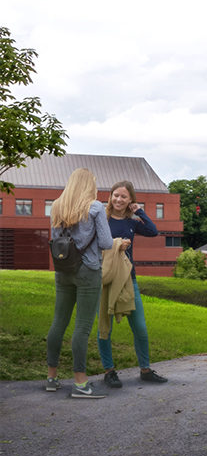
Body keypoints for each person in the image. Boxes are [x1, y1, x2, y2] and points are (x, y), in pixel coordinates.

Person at [43, 166, 121, 398]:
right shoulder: (95, 207)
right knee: (83, 327)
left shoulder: (57, 206)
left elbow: (57, 240)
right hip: (88, 270)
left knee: (58, 322)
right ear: (90, 185)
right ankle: (80, 383)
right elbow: (106, 243)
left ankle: (51, 377)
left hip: (63, 270)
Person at [97, 180, 166, 386]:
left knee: (140, 328)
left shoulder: (132, 223)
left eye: (124, 197)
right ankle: (109, 371)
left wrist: (140, 211)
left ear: (130, 200)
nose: (118, 199)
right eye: (115, 195)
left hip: (129, 279)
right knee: (105, 327)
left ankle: (145, 369)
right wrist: (116, 245)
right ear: (110, 197)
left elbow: (153, 231)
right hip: (105, 278)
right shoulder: (102, 219)